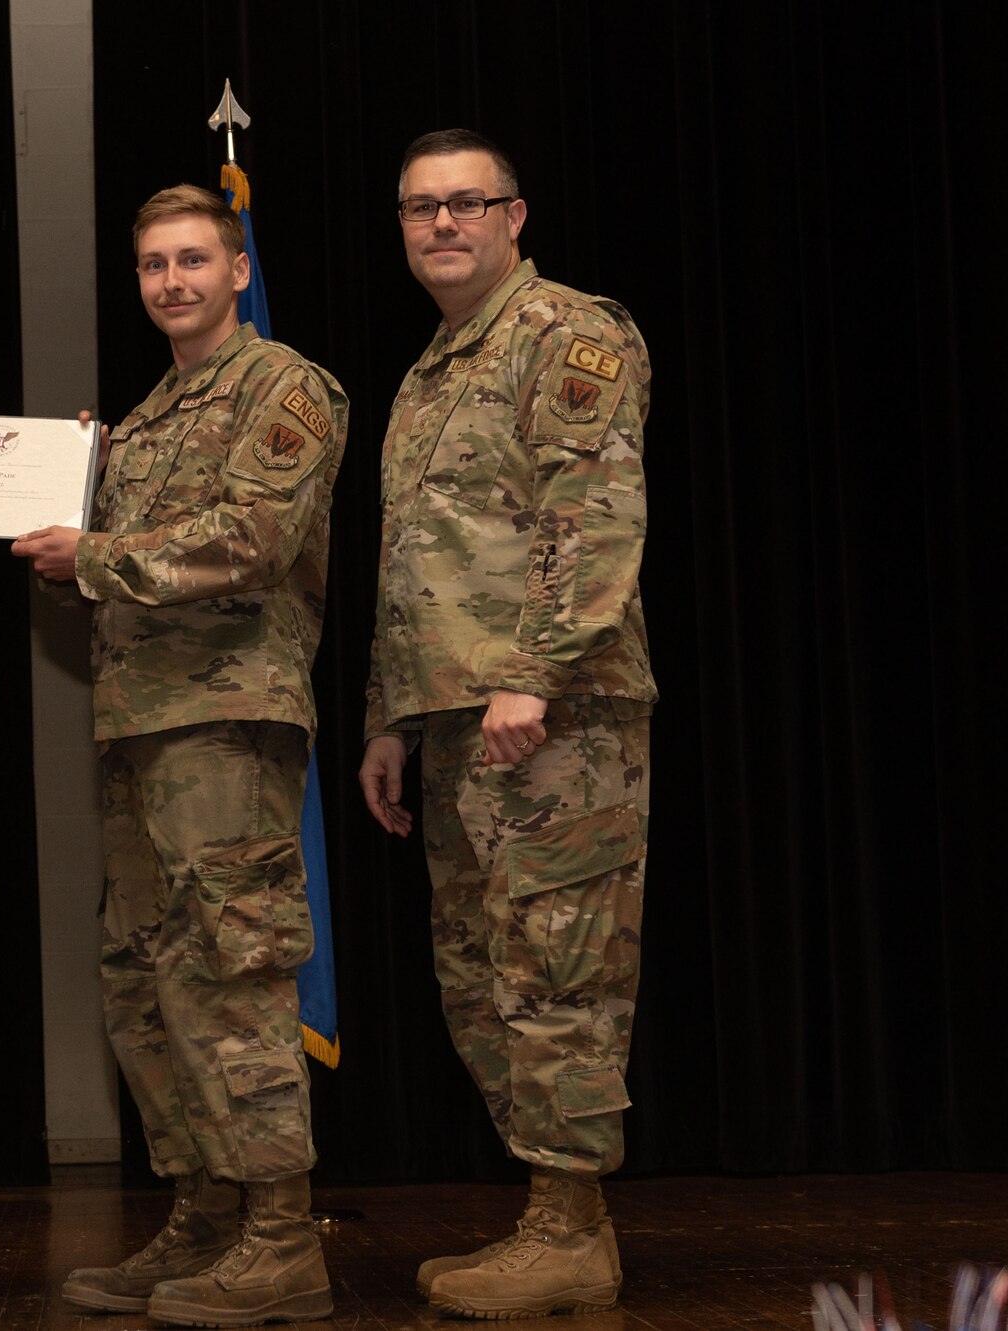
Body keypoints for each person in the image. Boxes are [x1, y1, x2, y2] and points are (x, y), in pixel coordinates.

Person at [13, 184, 347, 1328]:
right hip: (136, 721)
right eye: (153, 265)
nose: (171, 282)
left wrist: (91, 553)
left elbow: (254, 538)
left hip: (224, 723)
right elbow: (104, 576)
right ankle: (204, 1212)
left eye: (192, 260)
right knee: (144, 977)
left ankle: (279, 1233)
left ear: (236, 268)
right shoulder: (142, 418)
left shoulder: (282, 386)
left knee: (233, 967)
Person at [357, 128, 656, 1320]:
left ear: (513, 217)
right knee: (480, 975)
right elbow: (410, 568)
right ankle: (553, 1213)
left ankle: (570, 1229)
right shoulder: (430, 369)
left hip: (554, 714)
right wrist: (389, 715)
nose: (441, 224)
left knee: (556, 966)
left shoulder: (566, 333)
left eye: (464, 204)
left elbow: (590, 513)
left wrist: (532, 673)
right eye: (419, 207)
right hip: (453, 722)